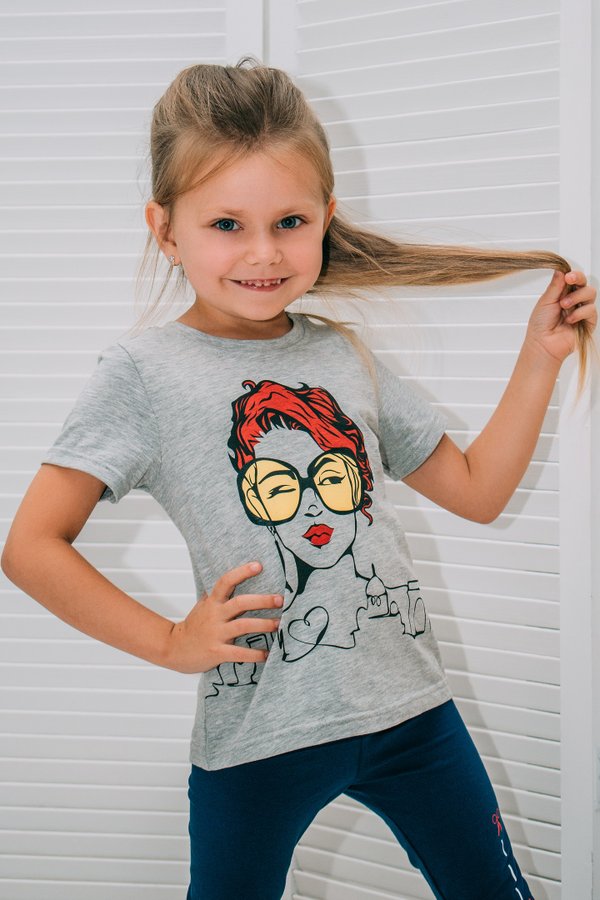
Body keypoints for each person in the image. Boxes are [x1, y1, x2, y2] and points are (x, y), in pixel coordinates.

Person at [2, 58, 597, 900]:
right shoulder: (142, 375)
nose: (263, 252)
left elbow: (477, 490)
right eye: (226, 224)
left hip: (415, 718)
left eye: (289, 221)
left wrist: (540, 359)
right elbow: (31, 546)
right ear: (164, 228)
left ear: (326, 218)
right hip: (258, 742)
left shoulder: (343, 354)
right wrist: (171, 642)